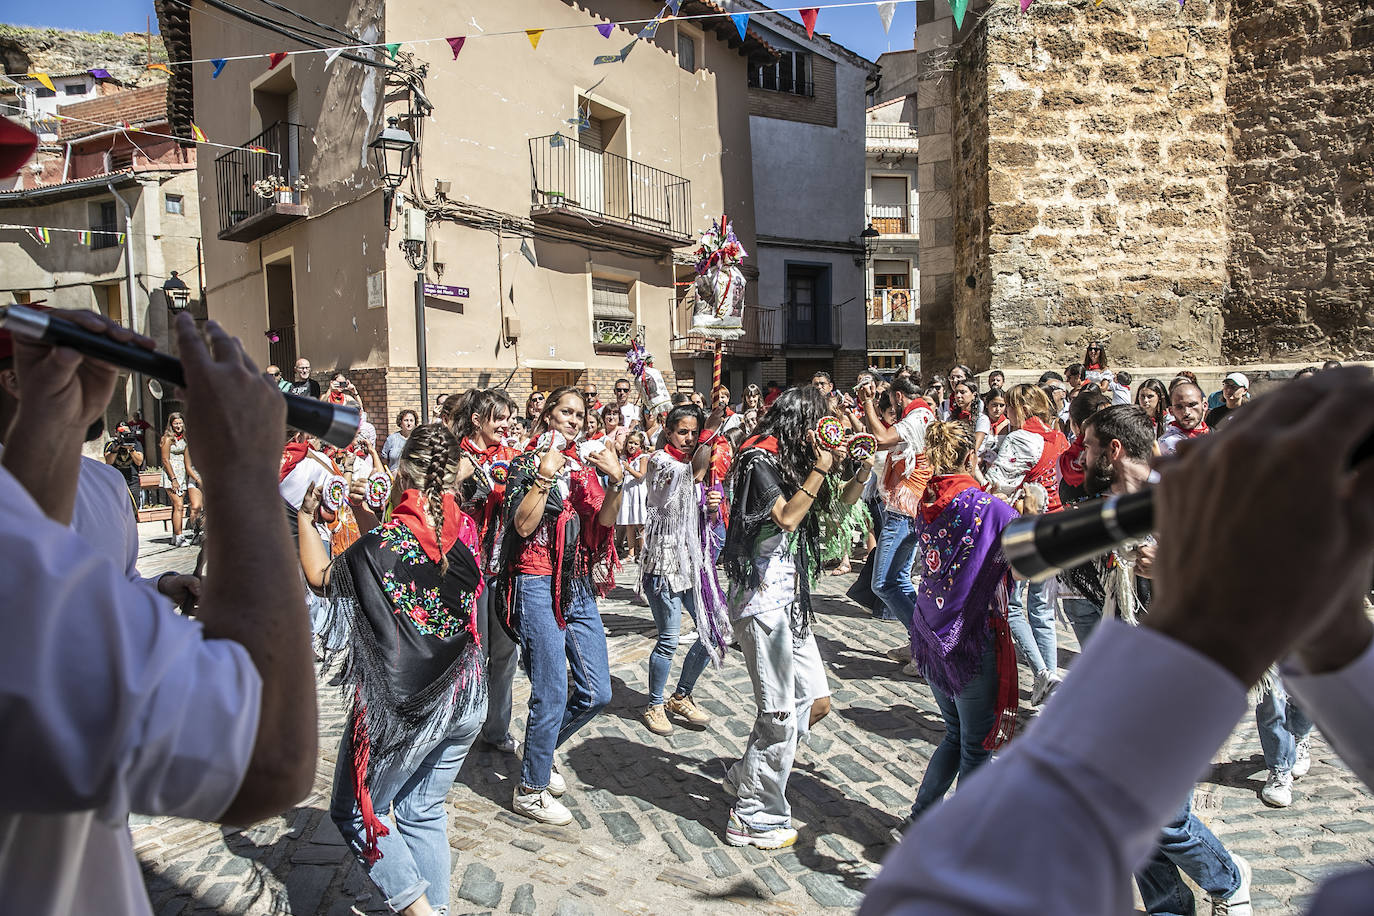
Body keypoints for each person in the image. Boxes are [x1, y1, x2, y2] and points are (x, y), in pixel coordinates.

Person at [0, 308, 315, 912]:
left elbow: (48, 578)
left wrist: (54, 419)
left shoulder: (64, 509)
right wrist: (243, 469)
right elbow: (266, 756)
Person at [298, 423, 484, 915]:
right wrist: (367, 515)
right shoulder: (463, 534)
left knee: (358, 812)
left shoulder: (380, 545)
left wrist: (306, 518)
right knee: (422, 811)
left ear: (401, 473)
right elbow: (403, 557)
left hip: (409, 705)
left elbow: (319, 577)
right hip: (466, 694)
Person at [720, 386, 871, 849]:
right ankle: (752, 815)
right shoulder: (758, 459)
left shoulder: (791, 461)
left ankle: (747, 773)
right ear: (800, 422)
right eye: (820, 421)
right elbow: (786, 517)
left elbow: (840, 505)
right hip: (761, 602)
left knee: (816, 703)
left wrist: (861, 471)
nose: (826, 431)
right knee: (780, 714)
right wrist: (821, 466)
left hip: (790, 602)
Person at [495, 387, 624, 826]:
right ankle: (531, 789)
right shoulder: (526, 461)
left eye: (580, 415)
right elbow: (522, 525)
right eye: (566, 412)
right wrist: (545, 476)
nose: (573, 419)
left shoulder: (586, 468)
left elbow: (603, 522)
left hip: (576, 578)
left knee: (597, 692)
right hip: (534, 579)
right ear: (548, 414)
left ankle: (539, 752)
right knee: (549, 691)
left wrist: (616, 481)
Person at [891, 419, 1020, 838]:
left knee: (955, 734)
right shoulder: (989, 507)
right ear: (970, 456)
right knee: (976, 745)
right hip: (968, 638)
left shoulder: (927, 501)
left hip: (930, 631)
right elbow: (1023, 553)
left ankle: (920, 819)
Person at [638, 403, 730, 736]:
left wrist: (711, 509)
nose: (689, 438)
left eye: (694, 433)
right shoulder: (660, 462)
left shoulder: (691, 462)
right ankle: (654, 704)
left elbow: (697, 511)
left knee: (714, 630)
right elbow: (695, 474)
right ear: (668, 432)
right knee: (668, 639)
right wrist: (710, 433)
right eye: (683, 432)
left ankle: (682, 695)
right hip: (663, 560)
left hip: (693, 561)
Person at [448, 388, 523, 757]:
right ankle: (463, 728)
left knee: (506, 655)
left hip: (504, 568)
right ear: (477, 420)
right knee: (471, 654)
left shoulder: (513, 458)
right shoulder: (456, 458)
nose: (506, 424)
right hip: (468, 571)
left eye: (509, 417)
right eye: (499, 418)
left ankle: (496, 728)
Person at [985, 384, 1069, 705]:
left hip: (1027, 528)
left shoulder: (1022, 438)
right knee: (1043, 610)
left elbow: (996, 483)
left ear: (1020, 409)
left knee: (1012, 605)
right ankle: (1050, 678)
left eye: (1009, 407)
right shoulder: (1058, 437)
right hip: (1056, 528)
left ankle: (1043, 673)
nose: (1006, 413)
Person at [857, 377, 936, 659]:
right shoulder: (924, 413)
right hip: (908, 506)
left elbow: (881, 439)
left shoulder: (917, 416)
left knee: (883, 583)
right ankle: (921, 643)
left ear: (899, 396)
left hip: (903, 509)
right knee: (900, 579)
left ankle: (926, 644)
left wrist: (868, 402)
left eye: (891, 401)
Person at [160, 412, 204, 547]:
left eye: (180, 423)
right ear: (171, 424)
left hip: (183, 474)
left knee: (177, 507)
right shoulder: (167, 438)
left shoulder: (184, 438)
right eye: (175, 423)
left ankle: (175, 535)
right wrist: (173, 479)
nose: (178, 426)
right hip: (172, 474)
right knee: (179, 505)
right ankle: (179, 536)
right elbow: (165, 459)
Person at [616, 430, 649, 561]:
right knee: (629, 522)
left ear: (640, 445)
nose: (632, 446)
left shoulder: (642, 457)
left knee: (640, 523)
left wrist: (629, 469)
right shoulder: (625, 458)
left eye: (636, 444)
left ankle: (643, 552)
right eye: (630, 443)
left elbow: (641, 476)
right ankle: (631, 553)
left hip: (638, 491)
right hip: (628, 491)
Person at [1158, 380, 1209, 456]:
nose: (1186, 412)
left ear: (1204, 406)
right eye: (1179, 407)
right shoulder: (1170, 441)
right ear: (1171, 411)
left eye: (1192, 405)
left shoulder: (1215, 435)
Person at [103, 419, 144, 504]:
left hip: (132, 480)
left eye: (126, 432)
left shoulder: (135, 443)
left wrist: (131, 449)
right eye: (121, 432)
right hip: (115, 480)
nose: (124, 434)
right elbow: (108, 462)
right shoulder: (111, 444)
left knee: (133, 506)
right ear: (116, 433)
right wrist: (116, 448)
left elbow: (139, 462)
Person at [977, 387, 1010, 463]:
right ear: (987, 404)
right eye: (994, 405)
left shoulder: (1009, 424)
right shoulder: (980, 422)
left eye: (1001, 405)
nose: (998, 409)